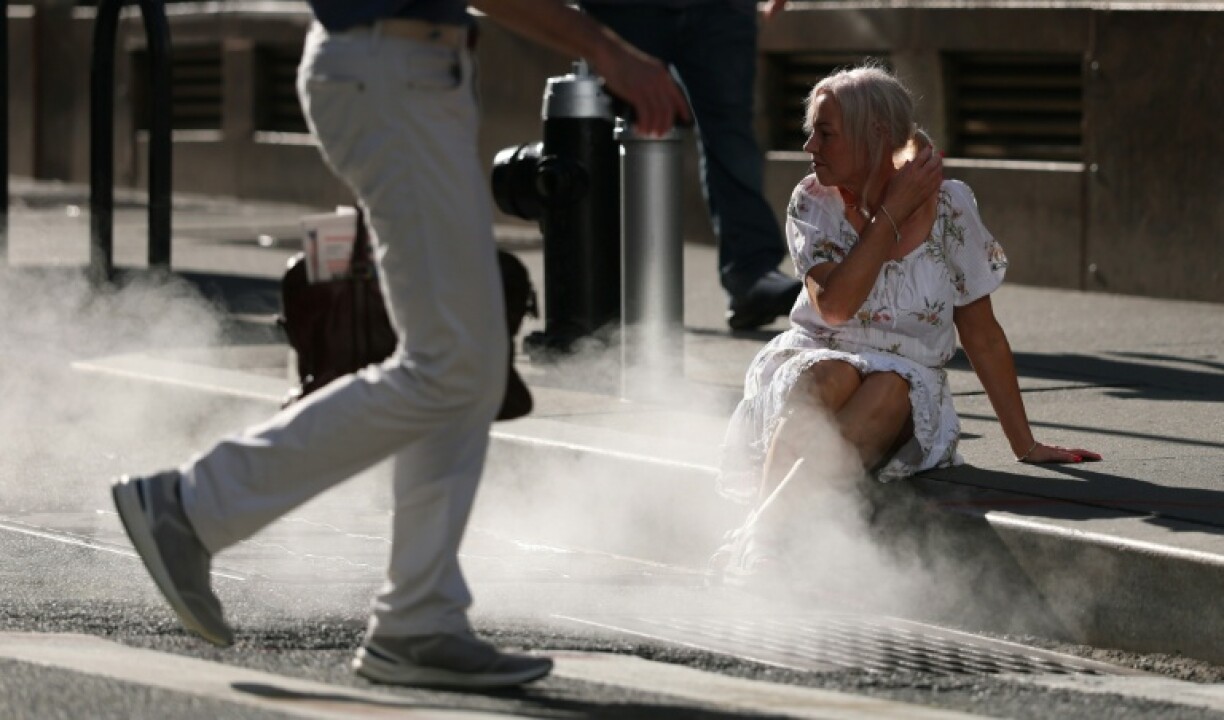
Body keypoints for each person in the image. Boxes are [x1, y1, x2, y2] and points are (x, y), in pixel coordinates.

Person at [109, 0, 689, 690]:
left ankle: (419, 620)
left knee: (464, 367)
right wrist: (609, 52)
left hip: (407, 73)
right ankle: (194, 506)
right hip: (393, 72)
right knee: (453, 363)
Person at [714, 64, 1100, 575]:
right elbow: (834, 307)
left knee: (892, 387)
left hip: (905, 377)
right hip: (819, 355)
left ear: (873, 135)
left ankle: (760, 536)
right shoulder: (813, 200)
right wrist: (890, 214)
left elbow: (981, 333)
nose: (810, 147)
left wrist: (1025, 444)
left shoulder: (951, 207)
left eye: (824, 133)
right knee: (825, 374)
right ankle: (771, 544)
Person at [578, 0, 801, 331]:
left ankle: (751, 273)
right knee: (610, 130)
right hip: (623, 7)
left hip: (721, 10)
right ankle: (598, 284)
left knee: (731, 132)